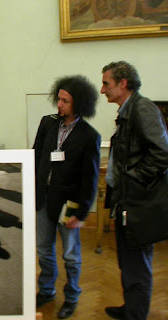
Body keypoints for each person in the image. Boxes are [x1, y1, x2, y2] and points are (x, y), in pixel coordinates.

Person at [101, 61, 168, 320]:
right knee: (128, 260)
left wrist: (132, 179)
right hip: (128, 201)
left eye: (106, 83)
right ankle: (131, 307)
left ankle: (136, 314)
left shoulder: (143, 109)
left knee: (137, 263)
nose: (102, 89)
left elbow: (162, 154)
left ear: (123, 83)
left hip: (139, 203)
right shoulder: (129, 110)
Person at [34, 75, 101, 319]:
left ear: (79, 103)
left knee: (71, 256)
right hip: (43, 200)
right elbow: (36, 157)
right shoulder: (47, 124)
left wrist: (81, 213)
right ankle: (47, 290)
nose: (59, 104)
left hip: (69, 204)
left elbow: (90, 179)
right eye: (59, 99)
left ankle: (71, 297)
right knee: (44, 250)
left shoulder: (89, 136)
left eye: (65, 101)